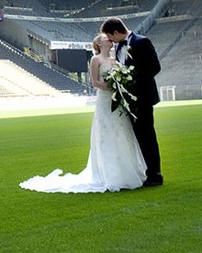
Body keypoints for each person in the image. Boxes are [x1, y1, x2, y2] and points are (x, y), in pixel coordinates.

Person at [19, 34, 147, 193]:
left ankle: (127, 173)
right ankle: (110, 175)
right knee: (107, 135)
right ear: (99, 43)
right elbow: (94, 82)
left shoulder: (115, 60)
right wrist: (113, 86)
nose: (109, 39)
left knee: (122, 134)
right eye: (106, 38)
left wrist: (121, 85)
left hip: (117, 102)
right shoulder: (96, 60)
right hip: (105, 101)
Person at [100, 16, 163, 187]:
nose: (110, 41)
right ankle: (141, 172)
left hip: (142, 97)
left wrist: (131, 80)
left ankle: (155, 174)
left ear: (116, 32)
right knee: (135, 138)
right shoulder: (116, 48)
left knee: (147, 136)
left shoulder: (142, 42)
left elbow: (155, 67)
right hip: (126, 100)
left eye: (110, 36)